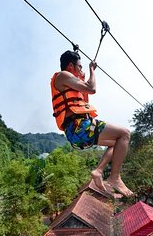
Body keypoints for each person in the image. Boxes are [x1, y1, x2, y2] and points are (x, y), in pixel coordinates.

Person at [50, 50, 133, 197]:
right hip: (80, 127)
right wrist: (92, 71)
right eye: (79, 66)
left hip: (78, 133)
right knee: (125, 133)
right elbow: (92, 88)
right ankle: (114, 177)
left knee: (119, 143)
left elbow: (85, 100)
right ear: (70, 66)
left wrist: (82, 77)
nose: (81, 69)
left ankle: (98, 171)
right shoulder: (63, 75)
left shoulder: (68, 82)